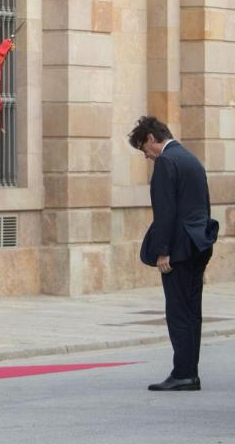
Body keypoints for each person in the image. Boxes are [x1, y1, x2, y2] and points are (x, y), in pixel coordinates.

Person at [129, 116, 218, 391]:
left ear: (151, 139)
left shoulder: (166, 162)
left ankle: (183, 374)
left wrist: (163, 251)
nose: (146, 156)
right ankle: (189, 372)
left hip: (178, 249)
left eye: (144, 149)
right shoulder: (191, 159)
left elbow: (165, 212)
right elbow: (203, 206)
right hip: (197, 245)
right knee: (192, 312)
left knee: (178, 312)